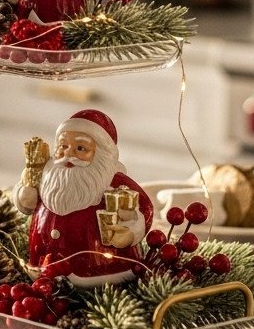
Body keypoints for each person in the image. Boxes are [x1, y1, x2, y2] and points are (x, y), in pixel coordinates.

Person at [15, 109, 153, 287]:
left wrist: (130, 231)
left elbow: (144, 207)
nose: (69, 155)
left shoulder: (115, 182)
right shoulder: (45, 176)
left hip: (101, 273)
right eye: (63, 146)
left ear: (102, 155)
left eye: (81, 148)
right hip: (42, 267)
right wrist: (24, 196)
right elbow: (25, 197)